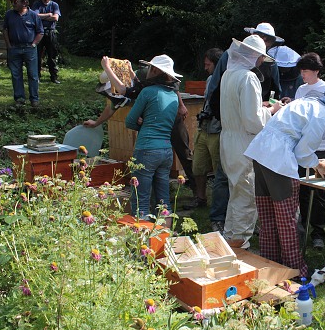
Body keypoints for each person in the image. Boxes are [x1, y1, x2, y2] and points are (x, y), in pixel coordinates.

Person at [244, 78, 325, 277]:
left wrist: (313, 161)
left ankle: (271, 265)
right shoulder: (321, 114)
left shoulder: (305, 102)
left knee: (268, 217)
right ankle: (295, 271)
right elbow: (303, 153)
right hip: (278, 160)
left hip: (260, 153)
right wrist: (317, 164)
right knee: (287, 219)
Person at [83, 56, 198, 204]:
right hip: (156, 133)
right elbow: (113, 106)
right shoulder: (140, 82)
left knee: (183, 154)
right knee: (160, 168)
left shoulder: (148, 74)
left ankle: (196, 192)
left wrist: (181, 105)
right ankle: (160, 203)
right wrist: (96, 123)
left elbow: (171, 87)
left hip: (169, 121)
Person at [219, 34, 282, 249]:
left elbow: (241, 111)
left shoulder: (228, 74)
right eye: (261, 57)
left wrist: (262, 108)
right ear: (254, 56)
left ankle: (229, 238)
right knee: (246, 195)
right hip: (244, 144)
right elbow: (253, 122)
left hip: (228, 140)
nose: (262, 61)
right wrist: (273, 110)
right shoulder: (248, 77)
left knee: (236, 191)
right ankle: (240, 244)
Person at [124, 55, 180, 218]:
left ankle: (142, 242)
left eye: (149, 68)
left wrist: (141, 123)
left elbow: (129, 121)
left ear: (155, 70)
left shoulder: (148, 92)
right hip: (166, 150)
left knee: (140, 200)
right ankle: (165, 239)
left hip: (147, 149)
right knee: (164, 201)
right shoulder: (173, 95)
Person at [293, 53, 325, 250]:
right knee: (301, 186)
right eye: (301, 71)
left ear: (316, 71)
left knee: (319, 190)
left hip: (322, 144)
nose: (303, 75)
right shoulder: (300, 90)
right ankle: (301, 228)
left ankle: (319, 232)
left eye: (306, 71)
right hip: (302, 145)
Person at [191, 47, 228, 232]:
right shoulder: (209, 80)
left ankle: (219, 208)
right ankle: (200, 198)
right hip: (203, 128)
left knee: (219, 171)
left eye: (208, 64)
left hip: (217, 130)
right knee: (198, 166)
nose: (205, 68)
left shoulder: (226, 79)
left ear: (217, 63)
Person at [3, 0, 43, 107]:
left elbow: (40, 32)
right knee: (16, 74)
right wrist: (8, 45)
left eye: (15, 1)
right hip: (14, 48)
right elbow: (5, 29)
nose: (13, 4)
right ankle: (19, 99)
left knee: (33, 74)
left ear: (24, 3)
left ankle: (34, 99)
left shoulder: (33, 15)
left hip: (29, 48)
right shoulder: (9, 14)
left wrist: (34, 44)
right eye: (12, 1)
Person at [31, 0, 61, 84]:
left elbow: (55, 18)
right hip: (39, 32)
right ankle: (37, 76)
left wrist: (42, 17)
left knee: (52, 55)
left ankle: (54, 76)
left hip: (51, 32)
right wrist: (48, 15)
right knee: (37, 55)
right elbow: (34, 16)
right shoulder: (37, 4)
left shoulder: (54, 5)